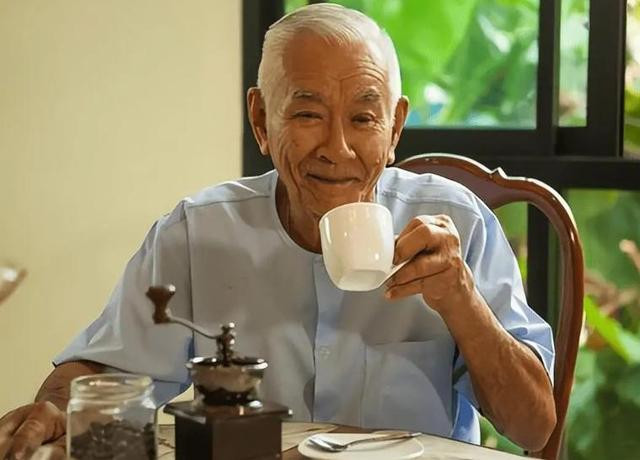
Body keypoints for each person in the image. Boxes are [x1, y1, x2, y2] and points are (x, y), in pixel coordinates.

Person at [0, 4, 556, 459]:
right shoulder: (199, 231)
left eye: (363, 119)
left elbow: (533, 428)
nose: (337, 149)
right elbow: (105, 371)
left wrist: (462, 301)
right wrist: (55, 409)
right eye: (308, 114)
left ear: (395, 129)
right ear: (261, 120)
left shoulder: (457, 225)